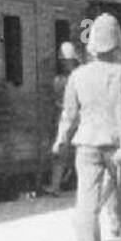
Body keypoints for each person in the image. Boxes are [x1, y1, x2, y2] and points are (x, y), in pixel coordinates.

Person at [52, 13, 121, 241]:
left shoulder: (78, 76)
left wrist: (61, 139)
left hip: (87, 144)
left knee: (86, 201)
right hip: (117, 145)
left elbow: (69, 113)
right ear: (118, 43)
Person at [43, 41, 82, 196]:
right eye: (63, 61)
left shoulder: (76, 77)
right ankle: (56, 185)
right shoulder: (61, 79)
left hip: (75, 117)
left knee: (73, 152)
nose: (65, 64)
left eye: (67, 61)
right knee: (61, 152)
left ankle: (63, 185)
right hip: (67, 117)